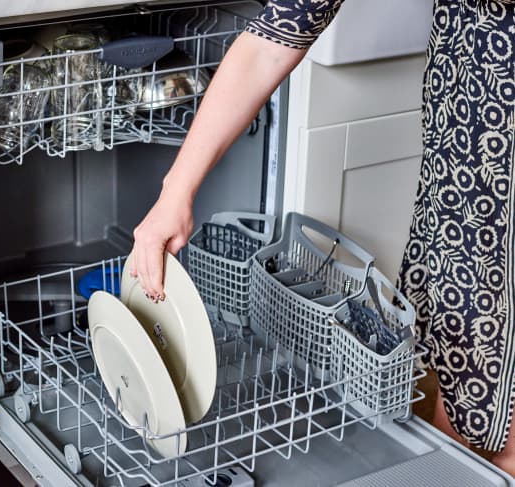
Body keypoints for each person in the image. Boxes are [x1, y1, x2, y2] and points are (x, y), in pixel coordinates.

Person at [129, 0, 515, 476]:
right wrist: (175, 192)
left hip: (499, 155)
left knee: (500, 412)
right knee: (463, 373)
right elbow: (275, 37)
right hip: (467, 130)